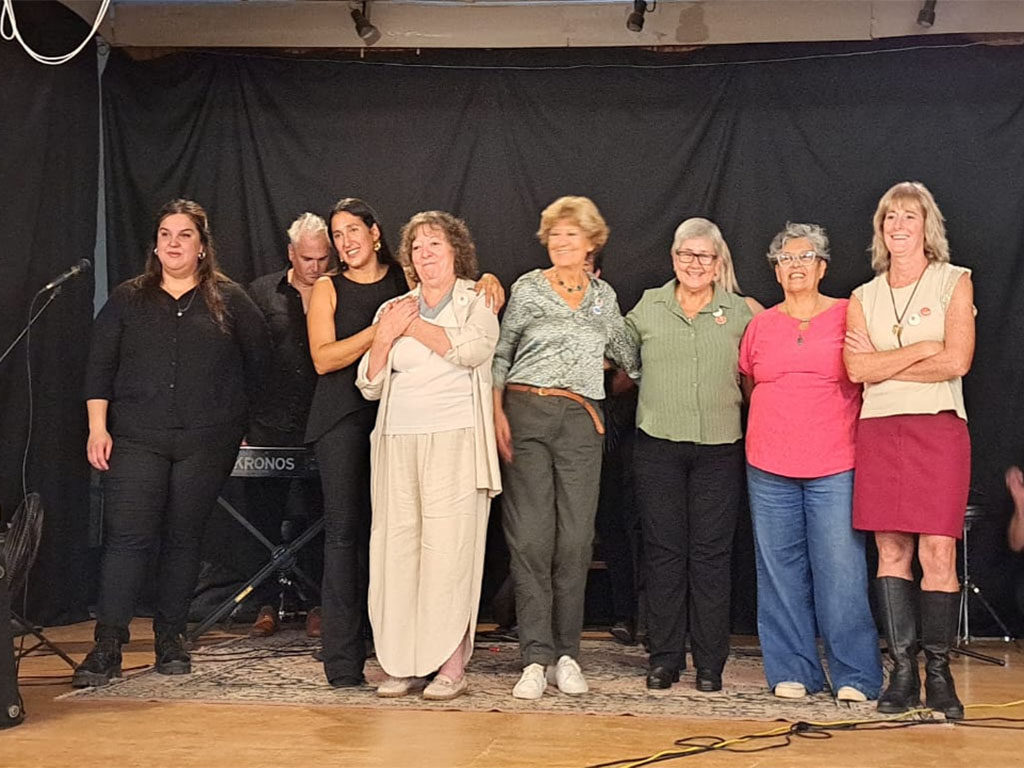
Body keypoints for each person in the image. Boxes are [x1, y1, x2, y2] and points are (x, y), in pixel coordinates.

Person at [307, 198, 503, 689]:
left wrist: (411, 327)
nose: (425, 253)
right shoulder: (392, 307)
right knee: (397, 552)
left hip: (455, 441)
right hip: (397, 442)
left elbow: (472, 350)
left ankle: (450, 666)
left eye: (435, 244)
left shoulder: (476, 301)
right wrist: (383, 337)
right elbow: (369, 383)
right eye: (416, 247)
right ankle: (403, 663)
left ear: (456, 251)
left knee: (448, 553)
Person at [74, 199, 269, 687]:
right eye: (166, 234)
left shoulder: (229, 298)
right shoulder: (128, 298)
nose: (174, 243)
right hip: (137, 436)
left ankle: (170, 638)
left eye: (184, 235)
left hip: (206, 440)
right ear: (155, 245)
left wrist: (242, 421)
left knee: (184, 539)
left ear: (202, 246)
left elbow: (261, 364)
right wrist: (98, 426)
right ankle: (107, 645)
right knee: (127, 538)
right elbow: (99, 366)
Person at [493, 195, 638, 700]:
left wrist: (605, 365)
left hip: (580, 420)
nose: (560, 242)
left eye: (571, 234)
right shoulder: (528, 288)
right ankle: (535, 657)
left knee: (575, 541)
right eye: (554, 234)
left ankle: (567, 654)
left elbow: (630, 356)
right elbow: (501, 353)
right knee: (531, 539)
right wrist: (496, 412)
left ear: (591, 242)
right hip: (525, 411)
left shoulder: (603, 298)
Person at [844, 181, 975, 719]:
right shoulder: (863, 296)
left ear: (927, 227)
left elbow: (957, 361)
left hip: (938, 428)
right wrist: (923, 348)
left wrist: (887, 363)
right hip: (879, 429)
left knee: (937, 552)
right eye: (890, 217)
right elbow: (856, 369)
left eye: (909, 216)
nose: (898, 225)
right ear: (881, 229)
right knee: (891, 550)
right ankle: (901, 673)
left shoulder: (954, 280)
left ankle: (938, 675)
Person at [738, 222, 882, 702]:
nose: (794, 265)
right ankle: (792, 670)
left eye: (804, 257)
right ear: (776, 272)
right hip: (767, 463)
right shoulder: (760, 325)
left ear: (822, 267)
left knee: (841, 570)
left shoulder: (848, 314)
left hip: (835, 463)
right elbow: (749, 385)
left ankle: (856, 675)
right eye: (785, 259)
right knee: (779, 571)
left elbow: (867, 373)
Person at [625, 217, 762, 692]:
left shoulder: (742, 311)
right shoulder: (649, 305)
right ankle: (664, 658)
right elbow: (615, 353)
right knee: (664, 553)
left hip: (720, 448)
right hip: (658, 445)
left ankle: (709, 663)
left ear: (718, 262)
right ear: (673, 258)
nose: (694, 263)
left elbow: (765, 365)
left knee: (711, 556)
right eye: (686, 254)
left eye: (704, 255)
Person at [244, 212, 331, 639]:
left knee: (320, 517)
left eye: (323, 259)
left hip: (321, 421)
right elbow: (243, 359)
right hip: (269, 423)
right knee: (261, 520)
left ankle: (317, 603)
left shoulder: (337, 290)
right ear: (291, 253)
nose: (315, 267)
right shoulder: (261, 293)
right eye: (307, 258)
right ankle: (265, 603)